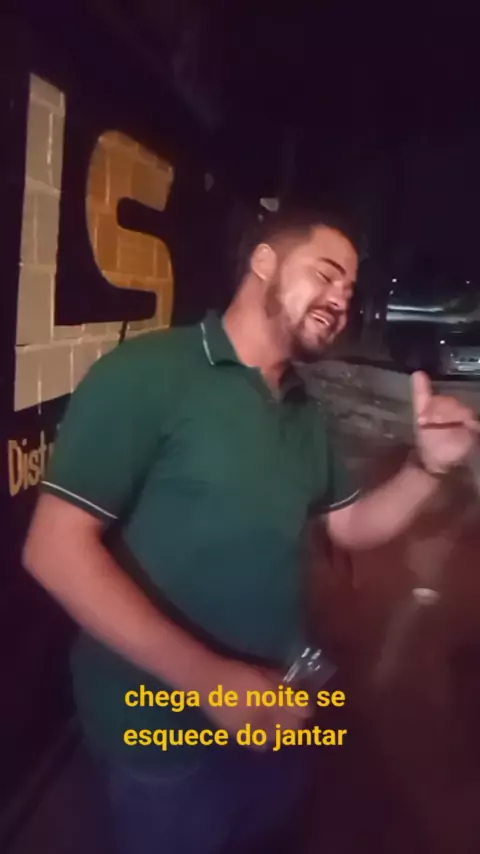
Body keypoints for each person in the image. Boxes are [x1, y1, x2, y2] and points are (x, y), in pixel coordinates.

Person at [23, 209, 478, 853]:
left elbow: (350, 525)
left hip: (279, 719)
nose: (340, 299)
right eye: (326, 274)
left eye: (350, 290)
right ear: (264, 262)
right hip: (162, 737)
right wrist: (209, 679)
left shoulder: (301, 407)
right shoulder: (150, 373)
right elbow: (53, 550)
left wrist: (427, 468)